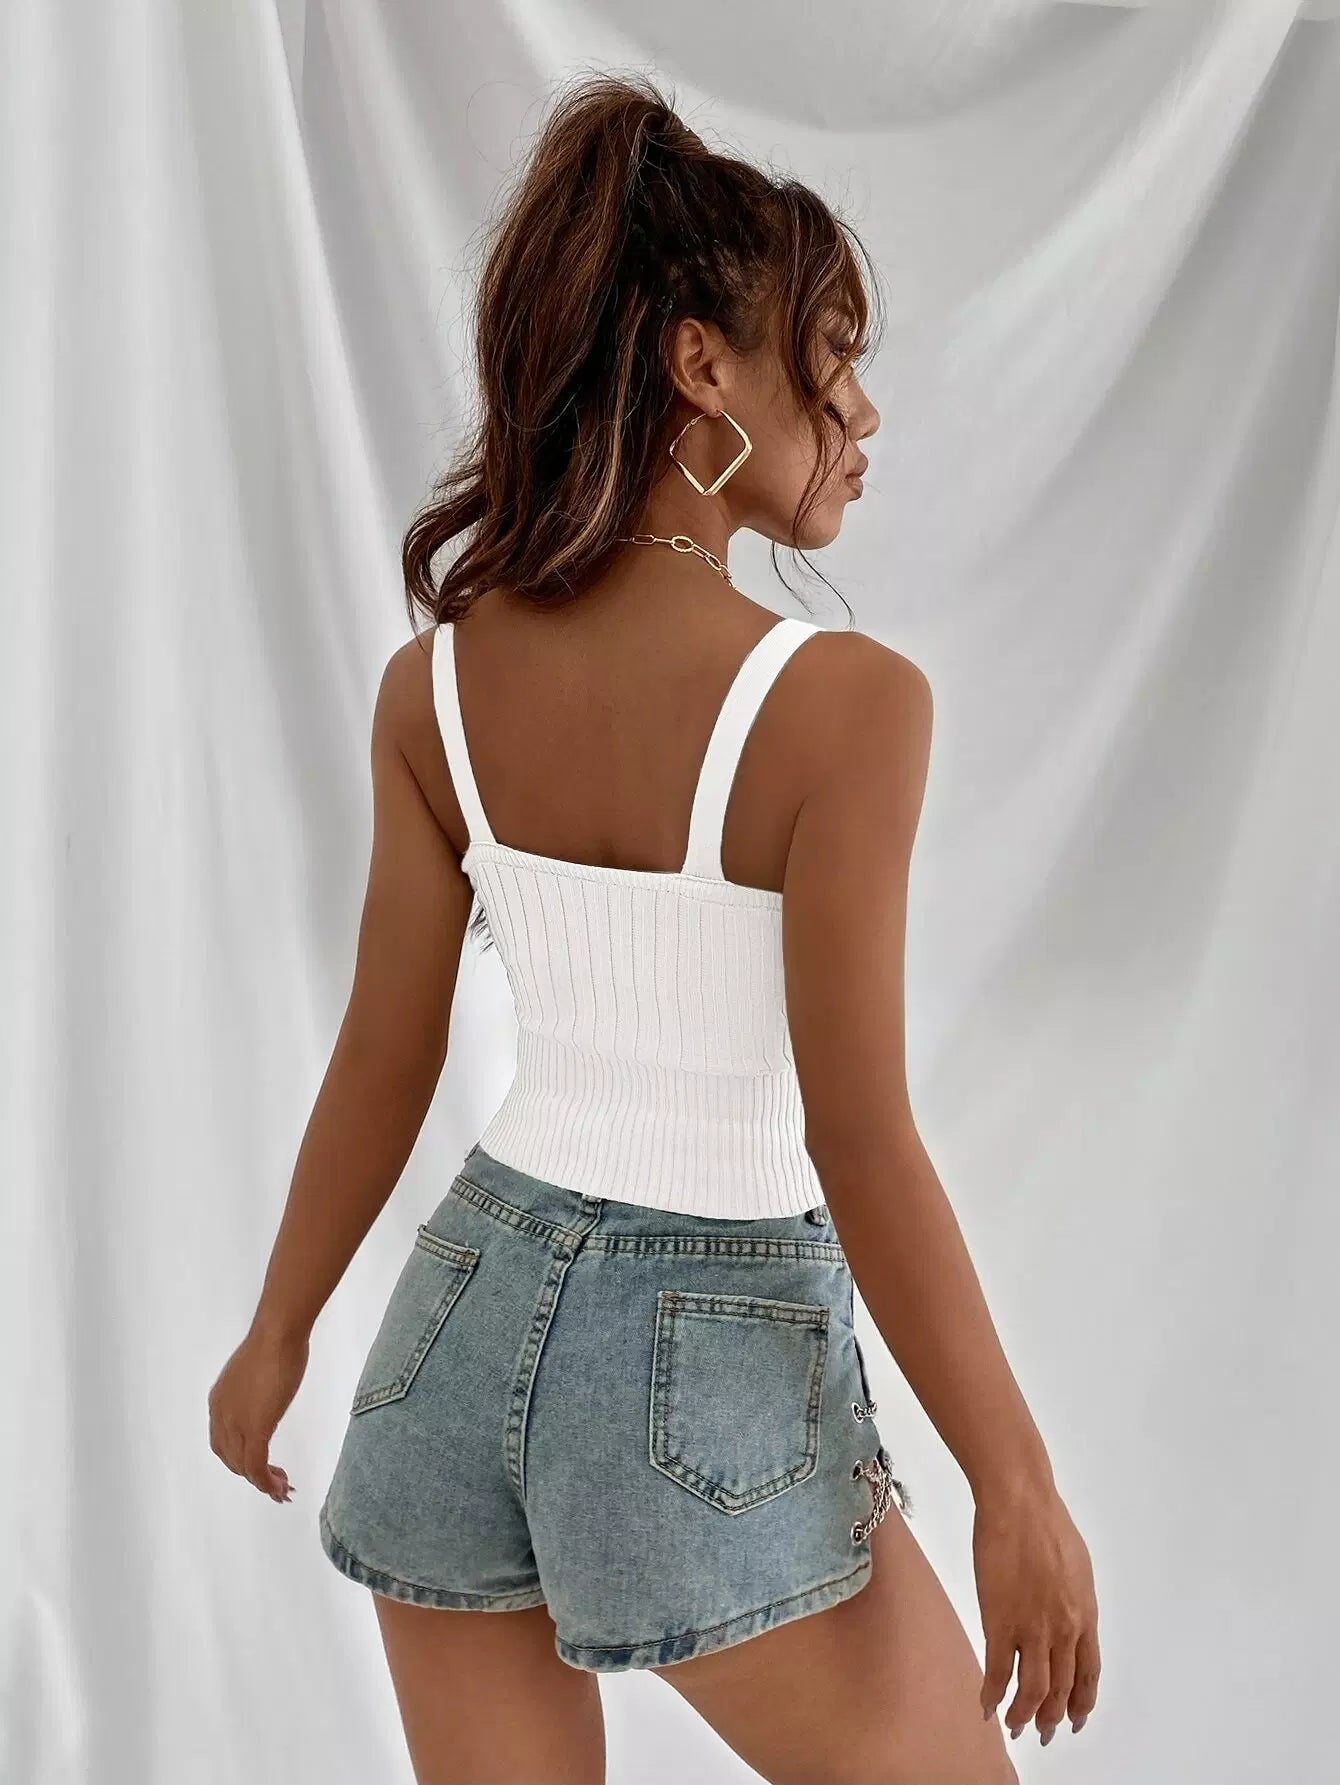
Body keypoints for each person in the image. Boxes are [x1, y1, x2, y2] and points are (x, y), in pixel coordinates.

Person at [208, 71, 1099, 1785]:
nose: (865, 412)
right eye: (832, 355)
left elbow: (384, 1051)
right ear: (704, 368)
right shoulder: (844, 707)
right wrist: (1017, 1484)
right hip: (710, 1355)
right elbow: (860, 1135)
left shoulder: (434, 689)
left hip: (453, 1334)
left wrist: (280, 1329)